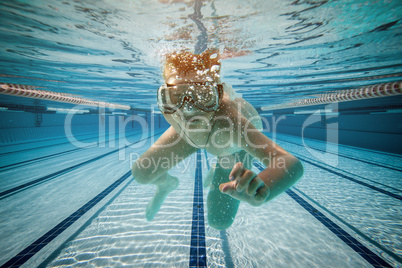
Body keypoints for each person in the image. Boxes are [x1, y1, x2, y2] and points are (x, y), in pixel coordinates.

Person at [132, 49, 304, 230]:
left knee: (219, 221)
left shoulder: (230, 121)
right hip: (199, 136)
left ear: (218, 95)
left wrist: (264, 187)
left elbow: (290, 162)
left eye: (203, 95)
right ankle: (167, 185)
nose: (189, 110)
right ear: (164, 95)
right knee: (142, 172)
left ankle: (220, 165)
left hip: (233, 147)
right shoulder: (173, 112)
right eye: (176, 96)